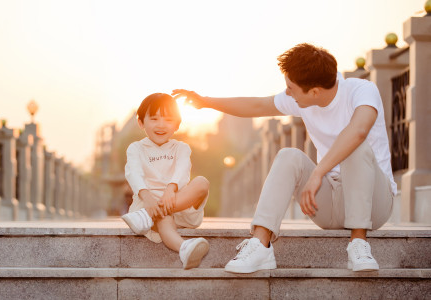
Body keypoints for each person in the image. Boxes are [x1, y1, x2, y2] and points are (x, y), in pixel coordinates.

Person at [172, 43, 396, 273]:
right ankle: (260, 245)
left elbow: (358, 130)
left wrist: (318, 172)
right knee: (288, 155)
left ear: (315, 91)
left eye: (291, 87)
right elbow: (257, 105)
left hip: (373, 205)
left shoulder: (361, 90)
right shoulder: (302, 98)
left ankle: (359, 243)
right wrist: (205, 101)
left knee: (355, 147)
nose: (287, 92)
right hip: (330, 205)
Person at [121, 92, 210, 270]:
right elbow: (134, 173)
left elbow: (183, 170)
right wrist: (147, 198)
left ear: (177, 125)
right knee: (164, 219)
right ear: (141, 122)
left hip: (177, 203)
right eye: (154, 118)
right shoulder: (136, 148)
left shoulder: (181, 148)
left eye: (168, 120)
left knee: (202, 182)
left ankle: (150, 215)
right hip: (149, 204)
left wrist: (171, 189)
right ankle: (184, 248)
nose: (161, 125)